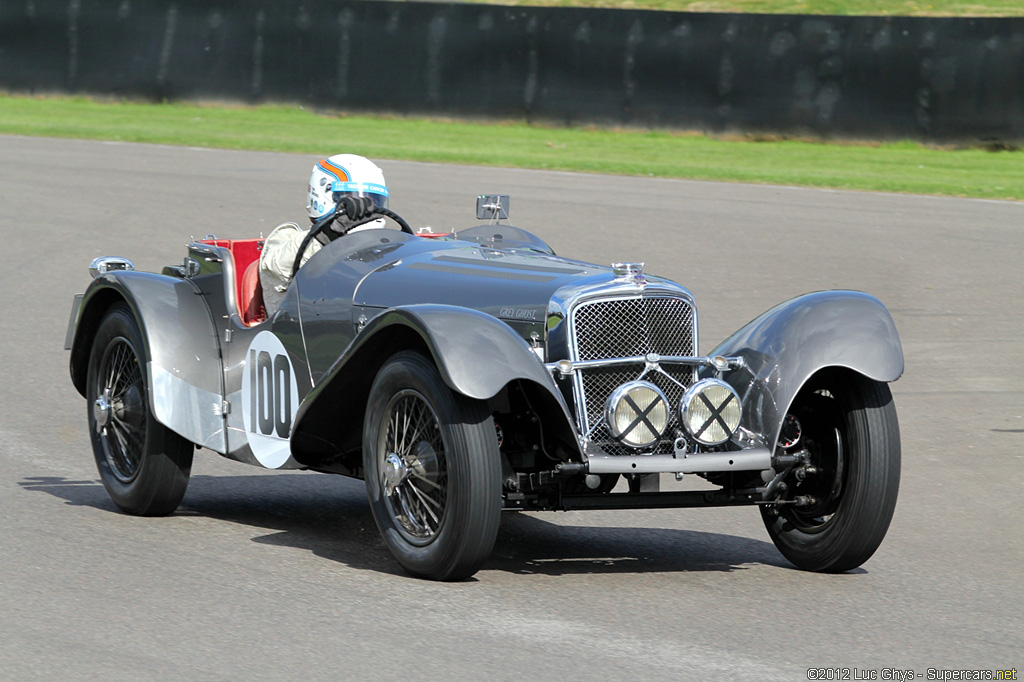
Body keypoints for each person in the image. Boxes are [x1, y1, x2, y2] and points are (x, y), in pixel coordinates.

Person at [259, 154, 389, 313]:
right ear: (323, 195)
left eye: (373, 202)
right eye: (352, 201)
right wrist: (329, 235)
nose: (364, 212)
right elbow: (275, 268)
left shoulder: (385, 247)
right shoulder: (286, 239)